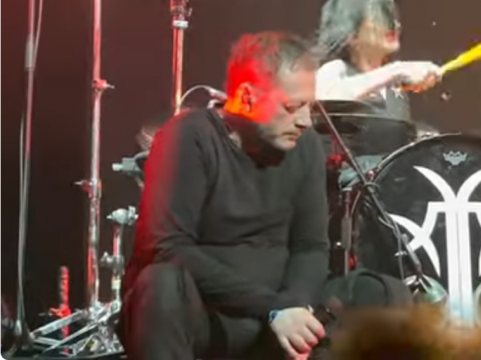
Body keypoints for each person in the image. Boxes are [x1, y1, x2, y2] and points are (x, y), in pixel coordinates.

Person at [118, 31, 330, 360]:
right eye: (292, 107)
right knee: (162, 285)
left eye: (310, 107)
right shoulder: (189, 136)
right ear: (246, 97)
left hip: (275, 315)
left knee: (375, 291)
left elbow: (311, 246)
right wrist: (273, 308)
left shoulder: (307, 145)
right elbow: (166, 248)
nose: (304, 121)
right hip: (206, 316)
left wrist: (295, 309)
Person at [314, 0, 441, 182]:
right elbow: (326, 97)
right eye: (381, 16)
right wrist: (396, 70)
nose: (395, 25)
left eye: (394, 18)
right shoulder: (335, 70)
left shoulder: (396, 90)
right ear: (350, 31)